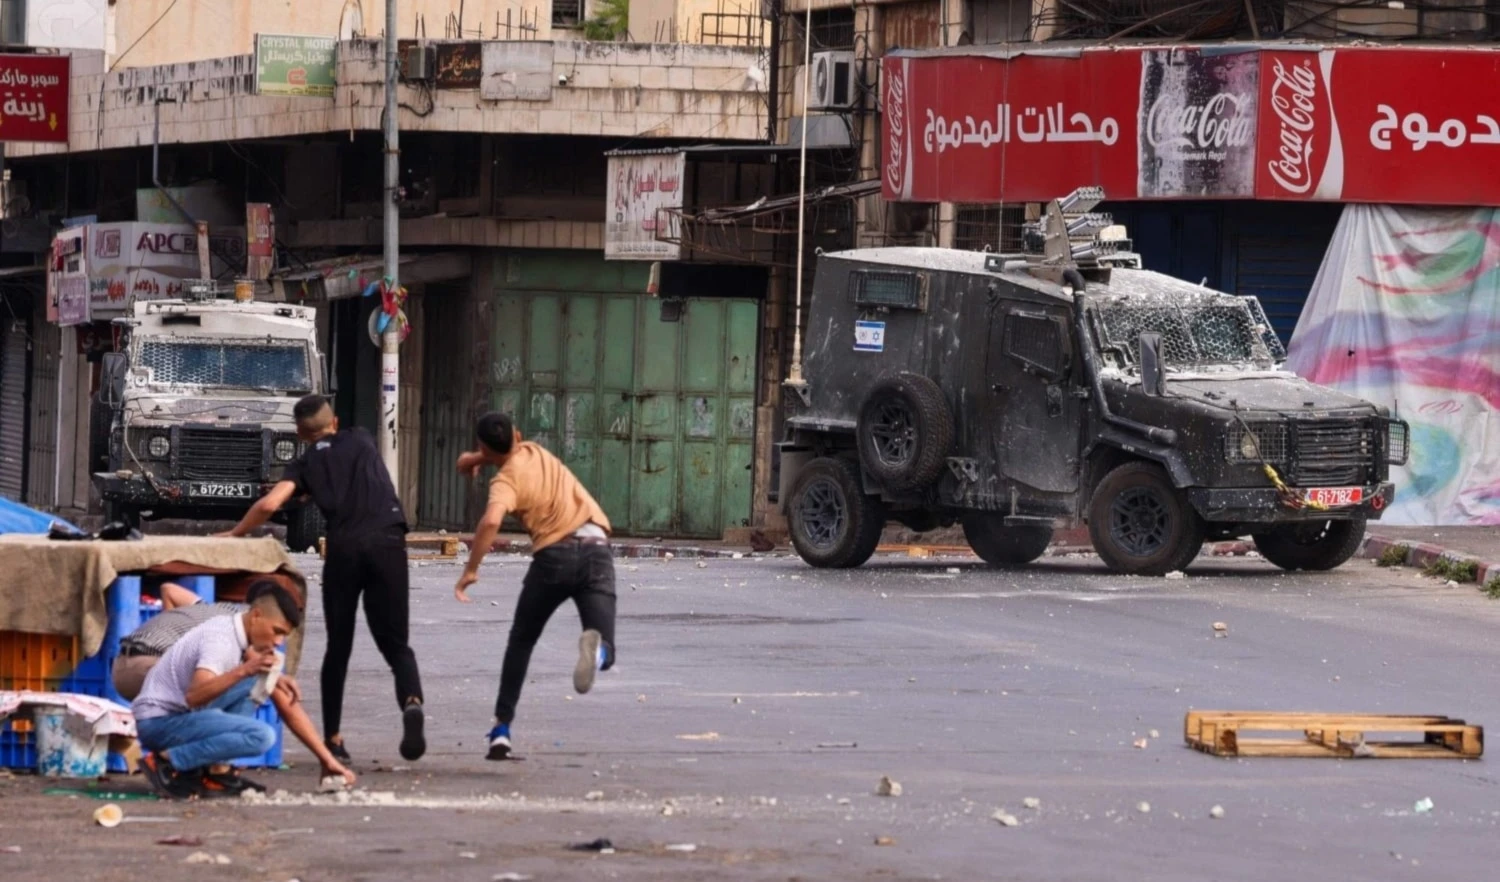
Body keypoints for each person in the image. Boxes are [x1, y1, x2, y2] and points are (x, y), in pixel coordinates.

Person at [221, 393, 425, 764]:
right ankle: (411, 703)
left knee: (339, 647)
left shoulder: (302, 465)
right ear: (335, 422)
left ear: (300, 433)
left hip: (345, 549)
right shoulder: (361, 438)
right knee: (397, 645)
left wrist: (234, 534)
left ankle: (333, 739)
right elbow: (346, 469)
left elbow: (269, 505)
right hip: (388, 541)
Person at [453, 411, 617, 760]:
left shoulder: (505, 483)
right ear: (518, 434)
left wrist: (471, 569)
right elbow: (500, 447)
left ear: (484, 446)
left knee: (522, 641)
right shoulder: (534, 451)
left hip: (552, 559)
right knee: (604, 640)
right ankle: (599, 651)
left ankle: (501, 730)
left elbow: (492, 519)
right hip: (596, 549)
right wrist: (476, 457)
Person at [132, 581, 357, 798]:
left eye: (283, 636)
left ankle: (216, 770)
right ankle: (167, 761)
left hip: (178, 716)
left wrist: (326, 759)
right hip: (159, 722)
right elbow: (194, 696)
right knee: (261, 736)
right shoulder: (221, 641)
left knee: (258, 682)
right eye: (276, 631)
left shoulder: (238, 632)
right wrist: (245, 670)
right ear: (256, 615)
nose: (278, 641)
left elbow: (288, 705)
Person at [115, 583, 260, 702]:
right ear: (257, 615)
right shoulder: (235, 626)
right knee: (221, 689)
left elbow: (168, 589)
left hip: (120, 667)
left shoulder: (207, 608)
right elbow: (260, 666)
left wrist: (171, 626)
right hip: (150, 666)